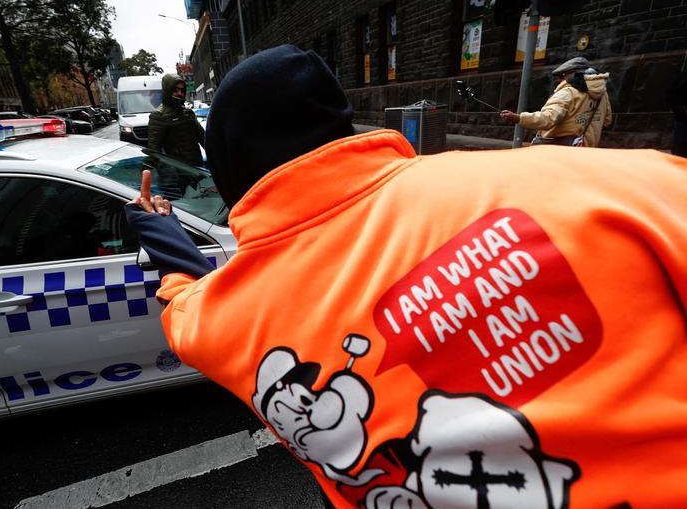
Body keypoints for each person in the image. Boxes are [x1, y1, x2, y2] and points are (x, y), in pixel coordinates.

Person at [125, 45, 687, 508]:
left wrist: (160, 230)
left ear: (228, 165)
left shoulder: (224, 320)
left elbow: (182, 300)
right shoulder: (600, 183)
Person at [500, 56, 612, 147]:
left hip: (561, 152)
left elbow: (548, 119)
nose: (559, 80)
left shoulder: (567, 93)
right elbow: (607, 120)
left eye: (562, 75)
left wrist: (518, 118)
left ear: (574, 74)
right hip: (588, 149)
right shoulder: (602, 94)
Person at [146, 73, 205, 167]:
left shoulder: (188, 113)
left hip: (197, 169)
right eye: (175, 90)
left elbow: (204, 139)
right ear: (167, 91)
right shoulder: (158, 115)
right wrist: (146, 170)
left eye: (182, 90)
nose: (179, 93)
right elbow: (153, 150)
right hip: (177, 171)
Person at [666, 71, 687, 157]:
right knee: (680, 151)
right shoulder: (683, 77)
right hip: (683, 121)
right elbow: (671, 93)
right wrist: (681, 111)